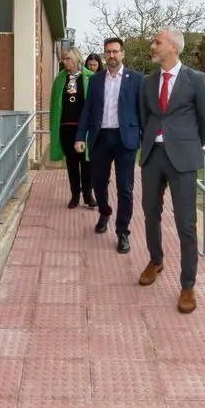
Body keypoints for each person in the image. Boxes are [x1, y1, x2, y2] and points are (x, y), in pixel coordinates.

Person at [138, 28, 205, 314]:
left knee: (186, 223)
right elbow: (144, 116)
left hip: (182, 159)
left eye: (157, 42)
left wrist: (189, 144)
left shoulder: (195, 80)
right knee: (150, 213)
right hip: (152, 156)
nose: (153, 45)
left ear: (173, 47)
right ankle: (156, 259)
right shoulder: (148, 82)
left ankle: (187, 285)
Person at [74, 37, 142, 254]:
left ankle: (123, 232)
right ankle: (104, 211)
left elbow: (142, 111)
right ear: (104, 54)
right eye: (108, 52)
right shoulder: (95, 81)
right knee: (98, 184)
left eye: (115, 51)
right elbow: (86, 111)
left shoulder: (137, 79)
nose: (111, 55)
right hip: (100, 138)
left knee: (125, 188)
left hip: (125, 141)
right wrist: (79, 137)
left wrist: (143, 135)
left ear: (122, 53)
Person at [48, 47, 96, 209]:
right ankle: (75, 195)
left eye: (68, 58)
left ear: (76, 59)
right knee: (72, 163)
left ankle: (88, 195)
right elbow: (54, 104)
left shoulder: (90, 77)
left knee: (87, 162)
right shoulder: (60, 79)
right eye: (63, 59)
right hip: (66, 128)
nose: (65, 61)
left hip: (85, 129)